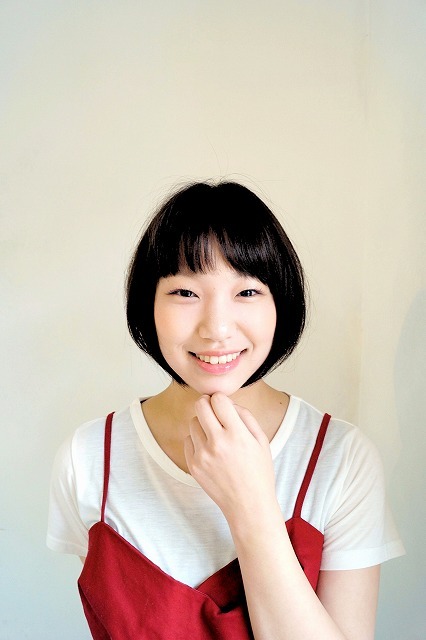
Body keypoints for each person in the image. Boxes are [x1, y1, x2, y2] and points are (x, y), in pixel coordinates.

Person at [47, 180, 404, 639]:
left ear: (281, 303)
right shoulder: (88, 459)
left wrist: (250, 506)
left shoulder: (341, 458)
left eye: (247, 292)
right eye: (185, 293)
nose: (216, 329)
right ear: (147, 303)